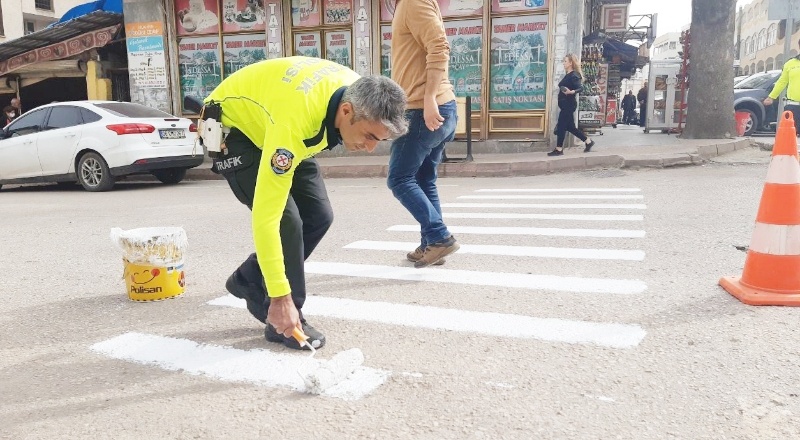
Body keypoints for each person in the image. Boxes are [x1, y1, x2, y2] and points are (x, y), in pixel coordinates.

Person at [205, 57, 408, 350]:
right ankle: (286, 319)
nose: (371, 147)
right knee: (287, 222)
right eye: (368, 136)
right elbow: (267, 218)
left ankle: (249, 278)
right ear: (347, 110)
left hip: (276, 120)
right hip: (235, 130)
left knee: (319, 215)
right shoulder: (294, 124)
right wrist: (280, 296)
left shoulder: (354, 93)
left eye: (380, 140)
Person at [387, 0, 460, 268]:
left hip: (423, 110)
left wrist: (429, 97)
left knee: (399, 179)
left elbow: (440, 47)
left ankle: (440, 237)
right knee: (423, 179)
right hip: (432, 107)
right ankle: (431, 243)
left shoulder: (412, 2)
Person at [548, 54, 594, 156]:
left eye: (565, 61)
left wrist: (571, 92)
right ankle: (588, 141)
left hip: (568, 105)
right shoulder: (568, 74)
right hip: (565, 105)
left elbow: (580, 88)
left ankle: (559, 149)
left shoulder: (574, 75)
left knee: (561, 126)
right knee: (570, 127)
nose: (563, 63)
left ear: (570, 63)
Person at [764, 40, 800, 135]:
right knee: (791, 132)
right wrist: (771, 96)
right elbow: (782, 81)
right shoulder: (790, 64)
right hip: (793, 104)